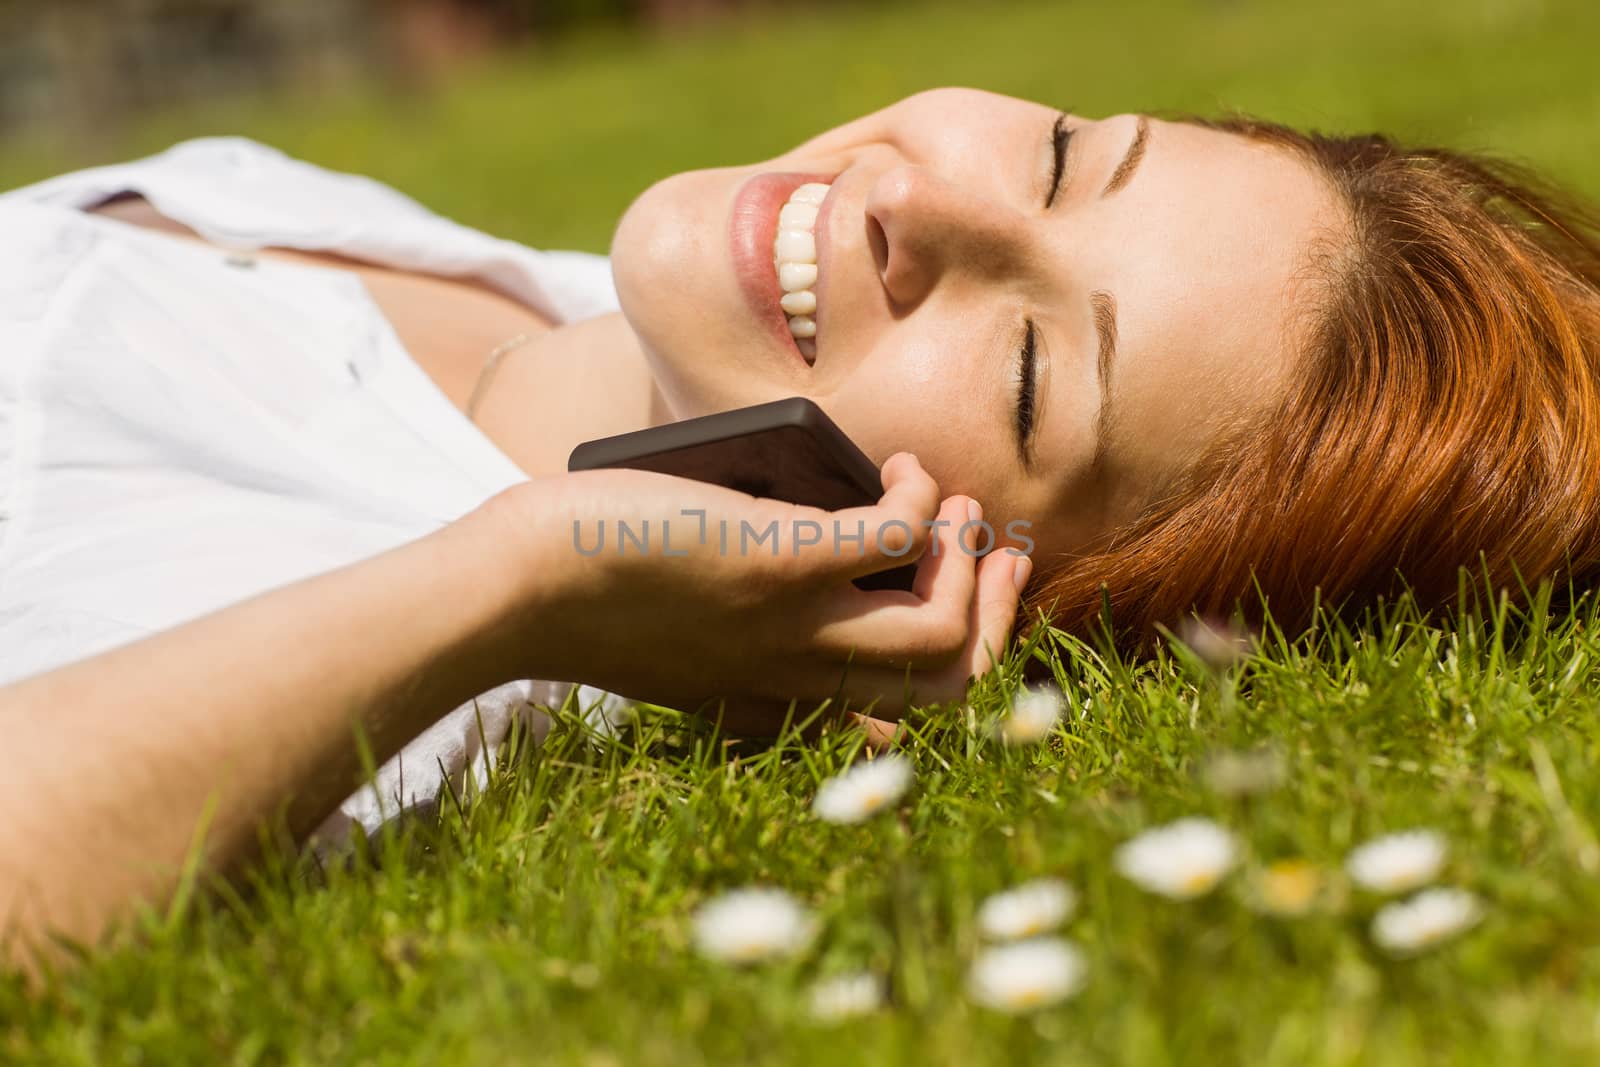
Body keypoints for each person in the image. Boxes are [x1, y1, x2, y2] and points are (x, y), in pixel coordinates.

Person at [2, 87, 1598, 967]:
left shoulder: (367, 643)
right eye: (1063, 155)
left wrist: (513, 581)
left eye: (1035, 372)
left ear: (958, 583)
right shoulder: (536, 295)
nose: (945, 204)